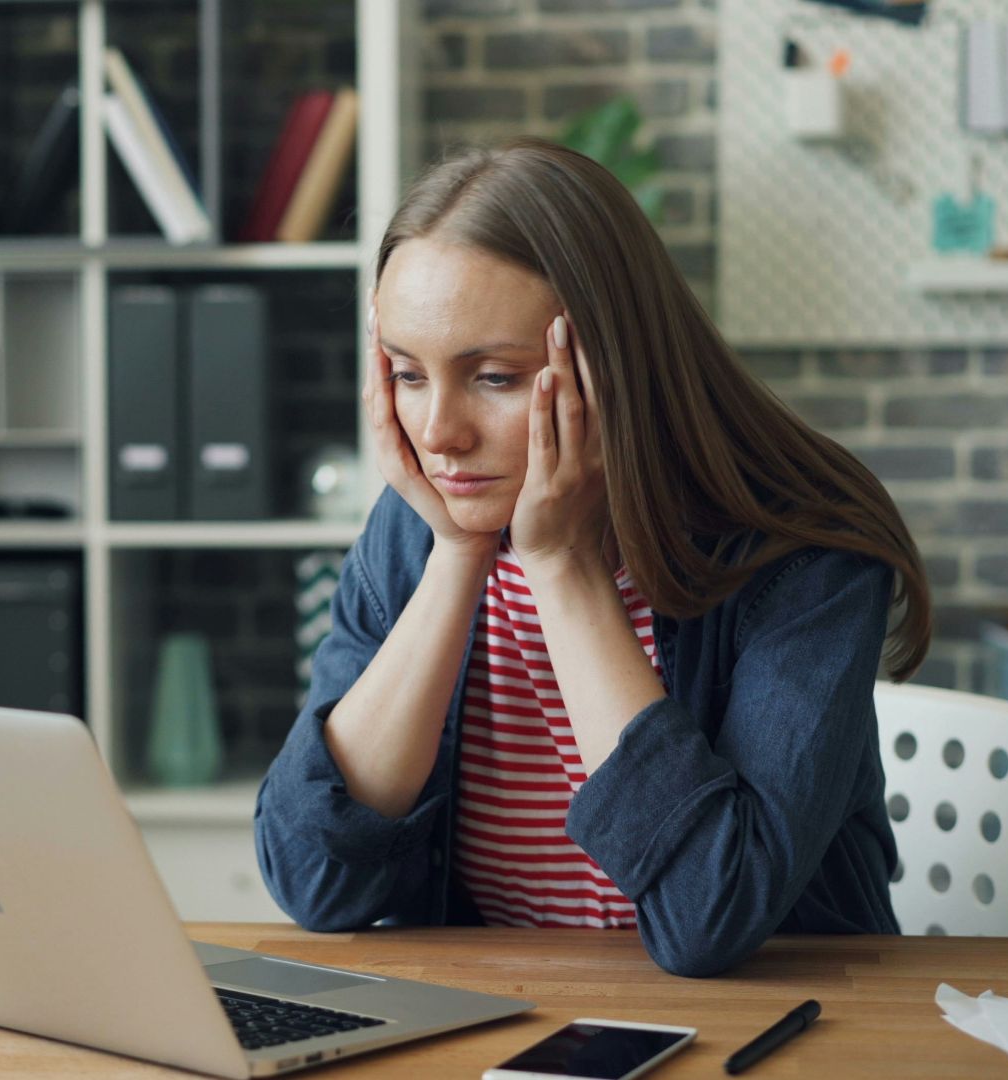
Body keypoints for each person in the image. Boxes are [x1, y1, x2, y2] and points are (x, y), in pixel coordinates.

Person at [254, 139, 932, 978]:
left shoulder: (801, 552)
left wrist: (565, 566)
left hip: (772, 1033)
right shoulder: (421, 528)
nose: (438, 435)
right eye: (406, 373)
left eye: (495, 378)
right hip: (503, 1018)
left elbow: (707, 917)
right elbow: (312, 881)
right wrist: (458, 555)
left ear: (616, 363)